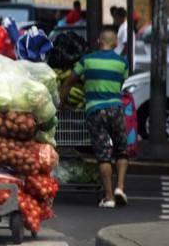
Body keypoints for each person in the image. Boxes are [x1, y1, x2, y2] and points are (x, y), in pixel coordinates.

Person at [60, 30, 129, 208]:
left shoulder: (87, 60)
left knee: (103, 155)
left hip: (95, 111)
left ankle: (108, 197)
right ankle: (120, 188)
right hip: (116, 109)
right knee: (121, 150)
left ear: (99, 41)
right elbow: (119, 86)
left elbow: (68, 82)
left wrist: (63, 104)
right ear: (115, 44)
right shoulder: (122, 63)